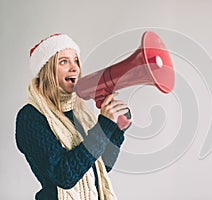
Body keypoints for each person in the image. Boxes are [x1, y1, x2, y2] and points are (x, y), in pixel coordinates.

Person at [15, 33, 131, 200]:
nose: (75, 68)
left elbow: (101, 165)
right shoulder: (30, 117)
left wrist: (117, 129)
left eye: (76, 60)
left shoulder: (79, 111)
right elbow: (64, 176)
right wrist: (103, 126)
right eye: (64, 61)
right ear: (46, 70)